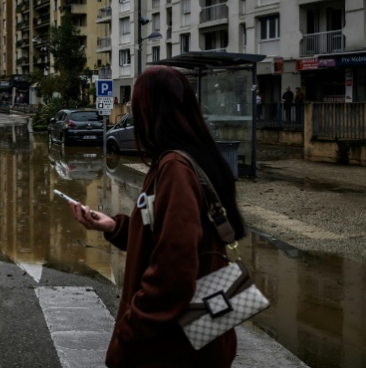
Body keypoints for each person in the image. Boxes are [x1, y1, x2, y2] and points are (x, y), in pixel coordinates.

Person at [65, 66, 244, 368]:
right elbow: (159, 231)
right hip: (195, 335)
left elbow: (173, 267)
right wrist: (113, 225)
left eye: (138, 108)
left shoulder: (175, 167)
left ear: (152, 112)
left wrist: (130, 326)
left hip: (176, 343)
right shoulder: (188, 157)